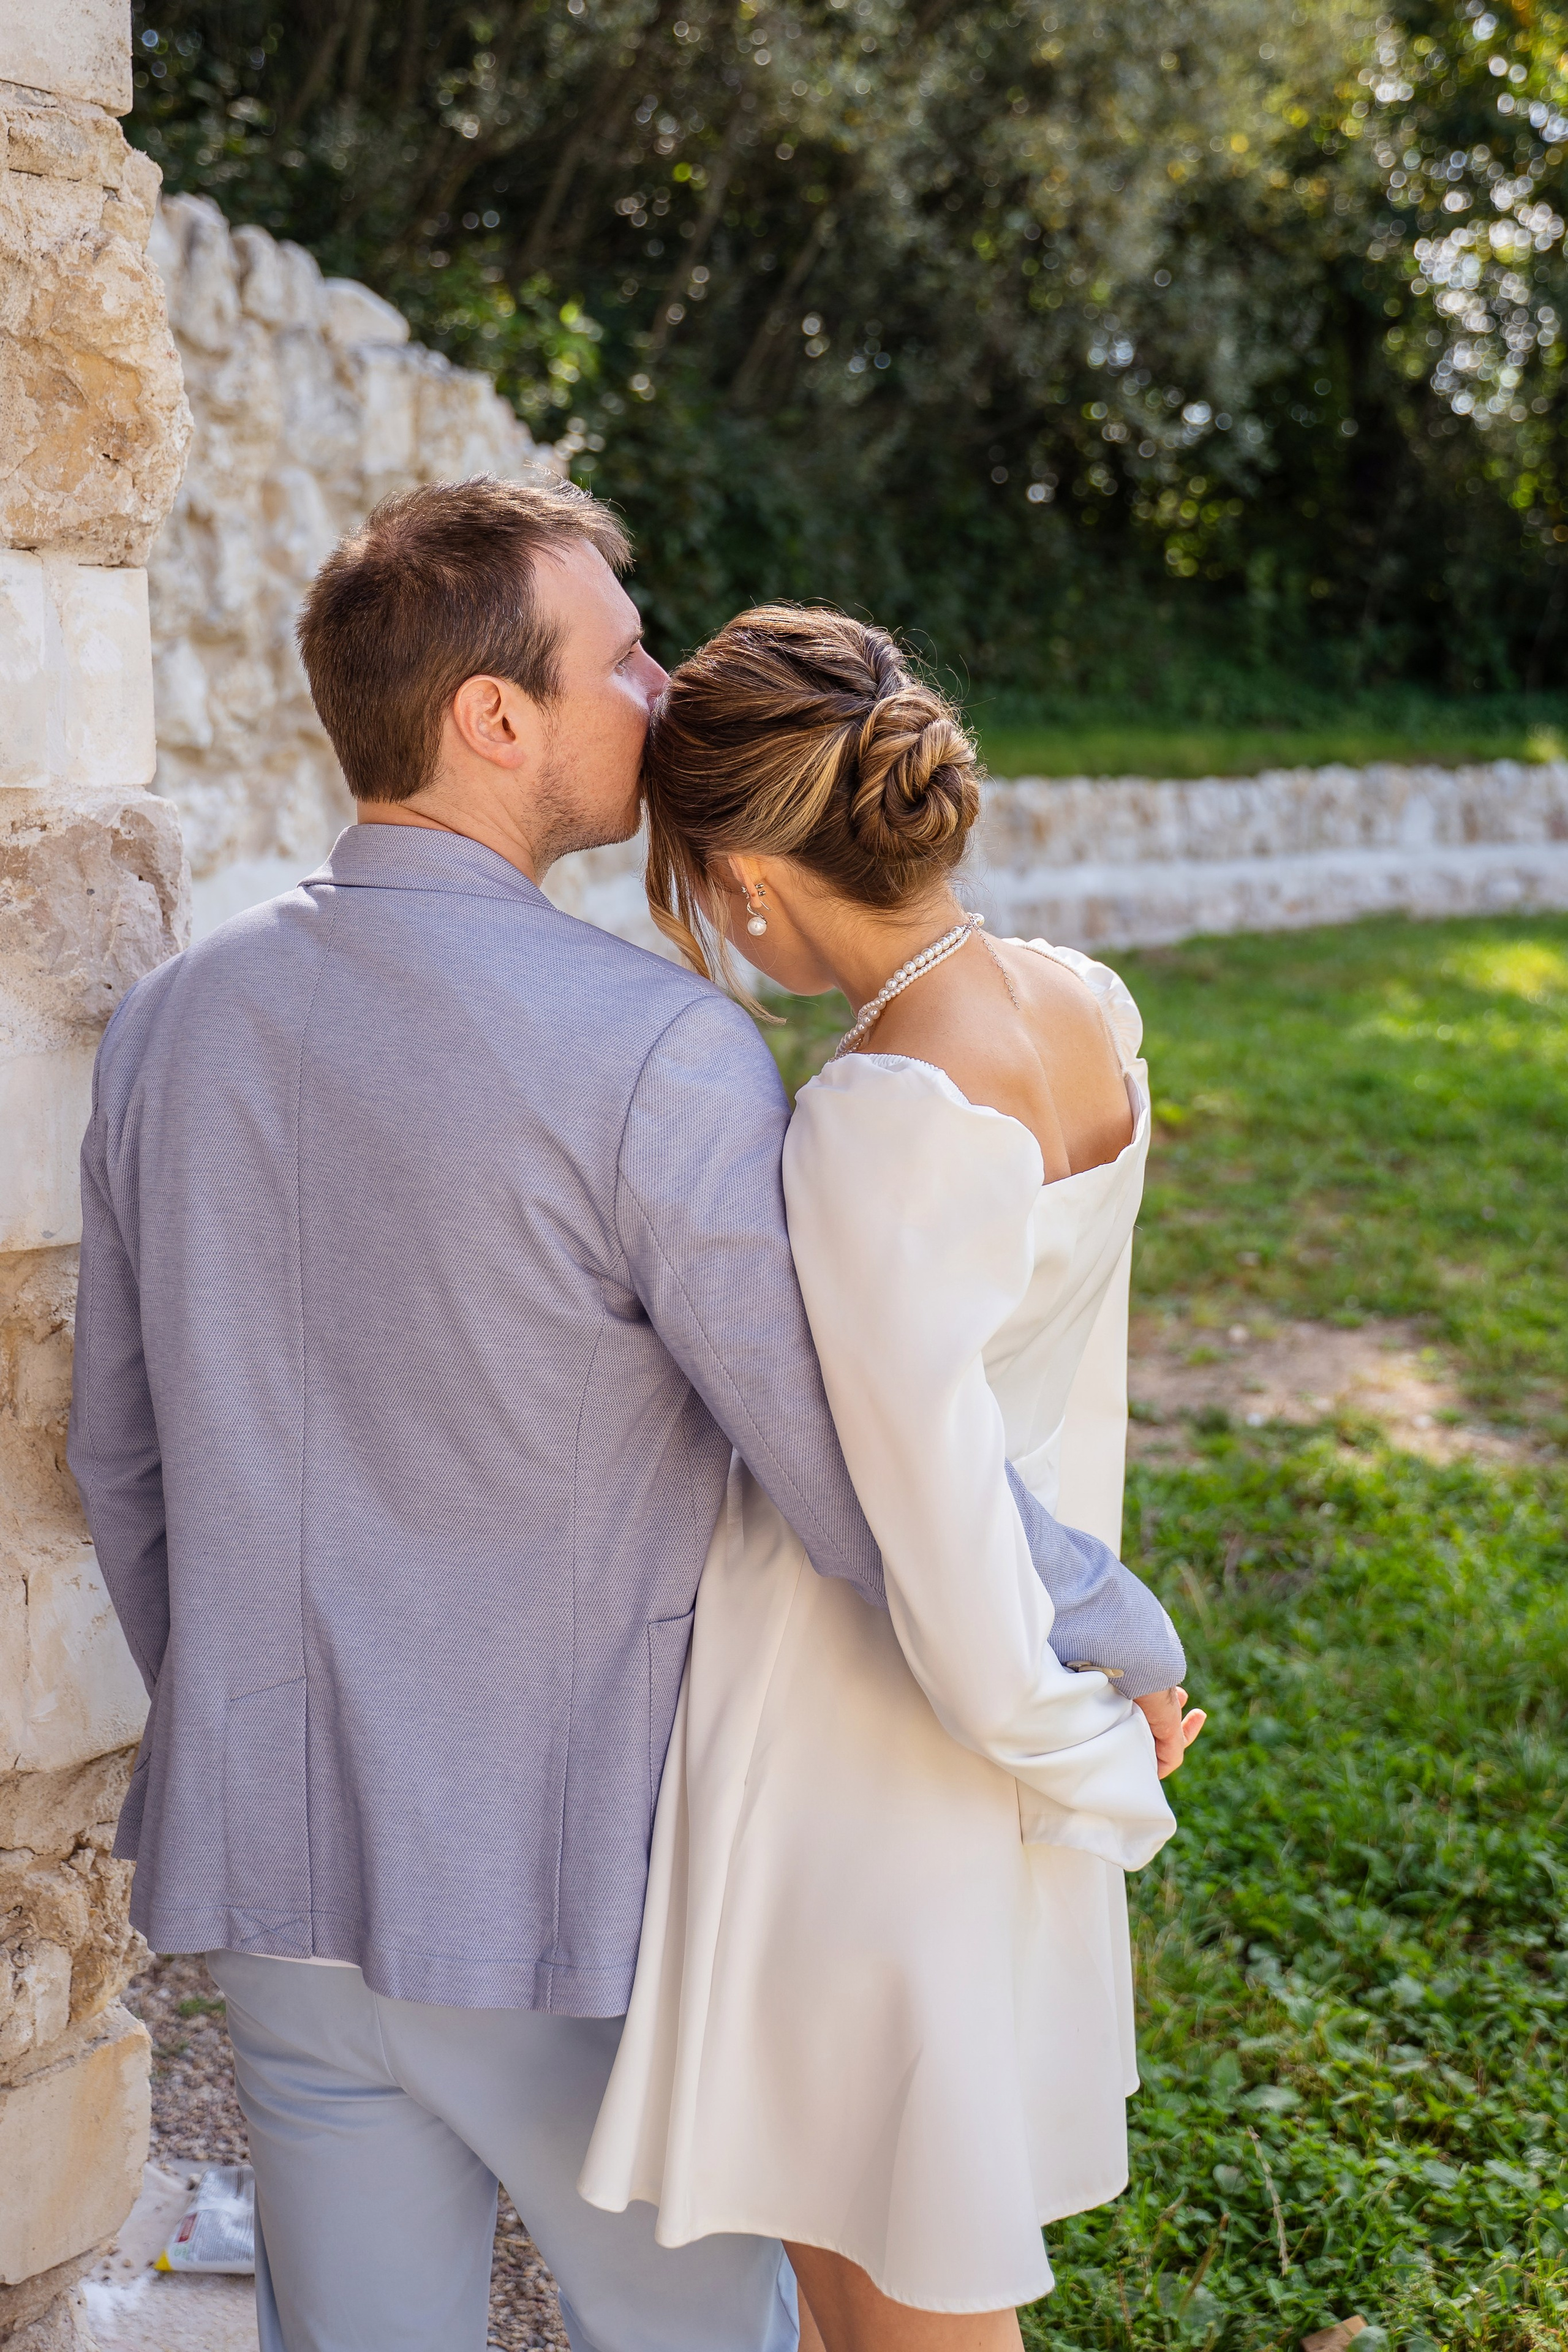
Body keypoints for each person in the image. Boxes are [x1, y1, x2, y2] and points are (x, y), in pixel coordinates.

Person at [68, 480, 1191, 2352]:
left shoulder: (173, 1021)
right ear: (493, 719)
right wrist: (1112, 1628)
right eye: (621, 657)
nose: (659, 690)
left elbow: (121, 1459)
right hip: (566, 1907)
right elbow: (852, 1462)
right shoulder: (656, 1048)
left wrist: (261, 1731)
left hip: (274, 1892)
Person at [580, 605, 1205, 2352]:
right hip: (991, 1669)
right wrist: (1078, 1665)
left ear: (749, 882)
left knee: (893, 2280)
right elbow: (1064, 1403)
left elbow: (925, 1503)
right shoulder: (1084, 1008)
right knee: (867, 2259)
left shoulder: (880, 1113)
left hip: (866, 1725)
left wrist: (1076, 1747)